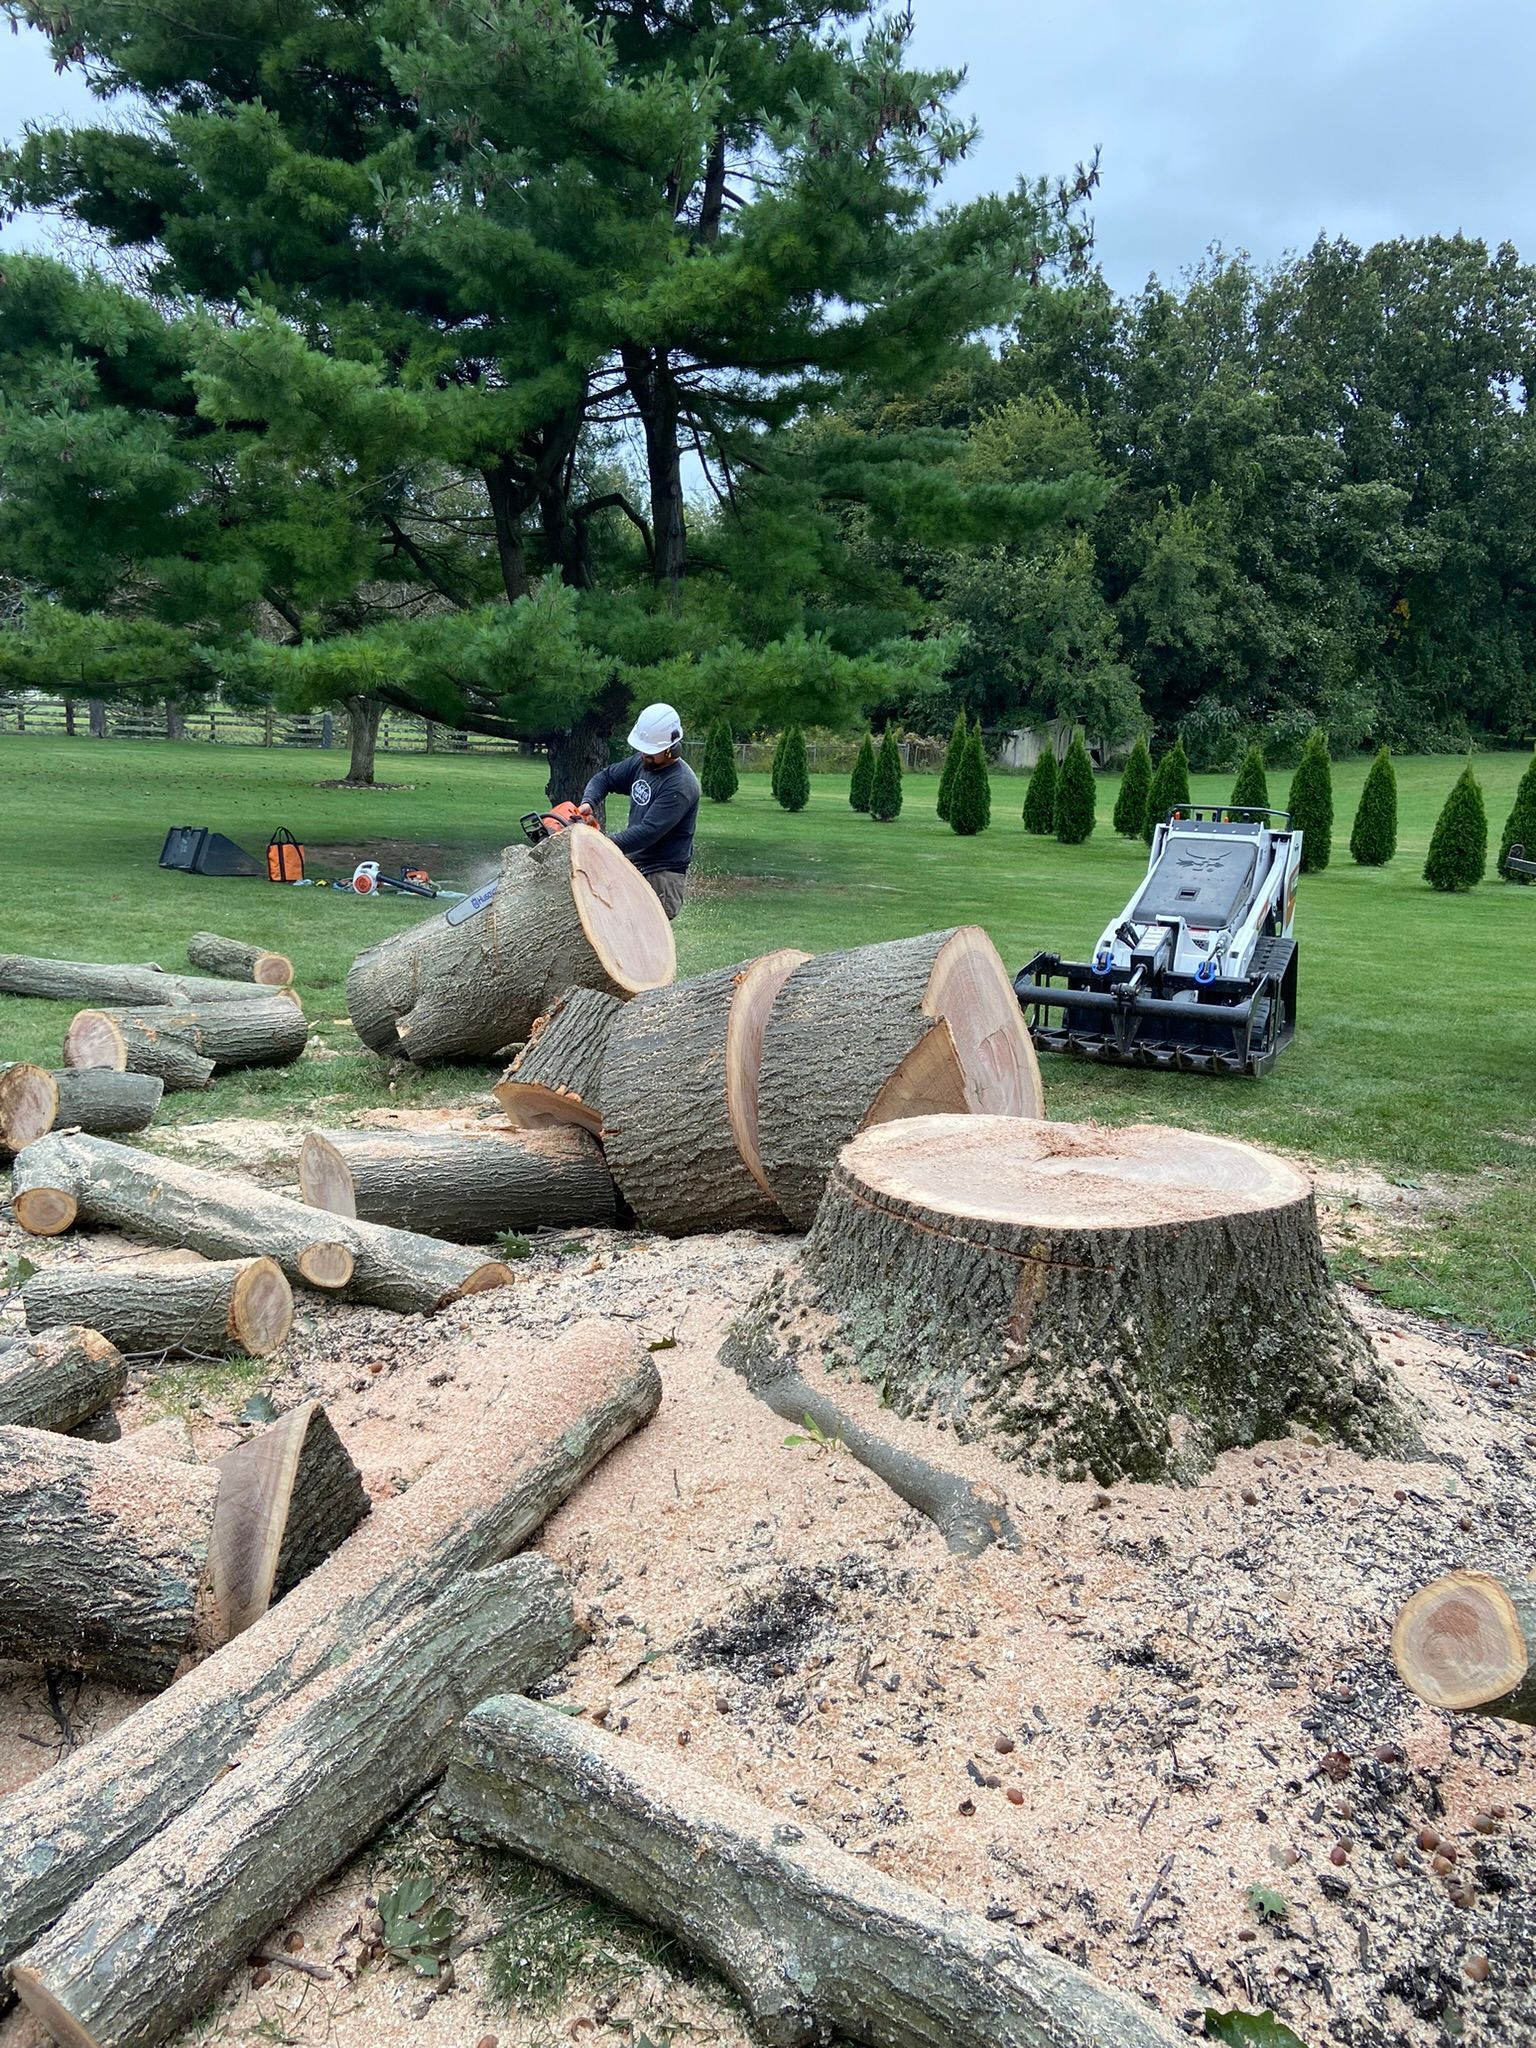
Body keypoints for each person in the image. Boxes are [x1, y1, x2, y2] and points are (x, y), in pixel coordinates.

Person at [578, 702, 700, 920]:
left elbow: (649, 831)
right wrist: (589, 801)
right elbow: (605, 778)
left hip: (662, 874)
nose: (644, 755)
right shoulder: (642, 762)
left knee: (641, 938)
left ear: (672, 748)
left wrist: (602, 843)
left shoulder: (680, 785)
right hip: (635, 864)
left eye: (651, 751)